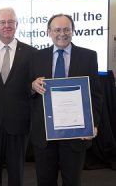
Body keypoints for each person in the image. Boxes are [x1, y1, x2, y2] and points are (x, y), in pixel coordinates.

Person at [30, 14, 102, 186]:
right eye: (57, 30)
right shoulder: (36, 57)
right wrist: (32, 86)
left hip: (75, 134)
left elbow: (96, 94)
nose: (62, 34)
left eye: (66, 29)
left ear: (73, 31)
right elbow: (25, 89)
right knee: (45, 181)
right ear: (49, 32)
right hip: (45, 134)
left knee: (72, 181)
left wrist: (93, 122)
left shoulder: (88, 56)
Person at [0, 7, 36, 186]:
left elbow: (35, 86)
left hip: (19, 121)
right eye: (3, 22)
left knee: (16, 170)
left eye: (11, 22)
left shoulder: (31, 53)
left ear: (17, 24)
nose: (7, 25)